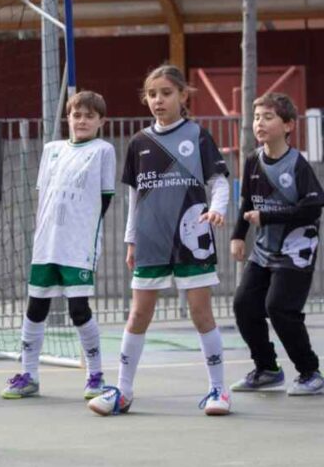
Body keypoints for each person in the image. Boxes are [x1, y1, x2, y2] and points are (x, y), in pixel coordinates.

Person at [88, 64, 232, 417]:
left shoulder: (198, 135)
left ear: (183, 96)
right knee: (138, 313)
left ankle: (219, 389)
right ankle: (122, 391)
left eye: (165, 93)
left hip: (192, 240)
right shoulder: (139, 142)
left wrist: (216, 210)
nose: (157, 100)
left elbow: (220, 181)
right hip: (151, 241)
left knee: (201, 312)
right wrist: (131, 241)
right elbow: (135, 198)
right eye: (152, 94)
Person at [1, 91, 115, 400]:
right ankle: (29, 375)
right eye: (77, 115)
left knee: (79, 309)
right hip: (46, 243)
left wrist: (82, 227)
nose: (82, 121)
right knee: (36, 307)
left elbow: (105, 198)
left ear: (101, 121)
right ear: (68, 118)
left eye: (90, 116)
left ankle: (95, 374)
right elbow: (44, 194)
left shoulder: (103, 151)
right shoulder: (51, 150)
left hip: (78, 244)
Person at [230, 92, 324, 396]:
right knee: (244, 305)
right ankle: (268, 368)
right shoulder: (252, 161)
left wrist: (267, 217)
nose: (260, 123)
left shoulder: (298, 165)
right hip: (263, 250)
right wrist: (237, 236)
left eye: (268, 117)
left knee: (279, 308)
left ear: (288, 125)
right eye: (257, 117)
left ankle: (311, 373)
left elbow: (313, 207)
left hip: (296, 250)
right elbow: (247, 202)